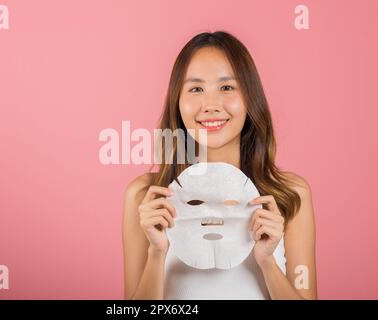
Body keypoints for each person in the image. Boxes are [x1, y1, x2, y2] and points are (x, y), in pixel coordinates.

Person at [122, 31, 317, 300]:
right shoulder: (146, 195)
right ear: (177, 101)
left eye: (227, 87)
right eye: (196, 89)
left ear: (250, 98)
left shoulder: (290, 194)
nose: (211, 105)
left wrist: (267, 263)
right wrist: (156, 254)